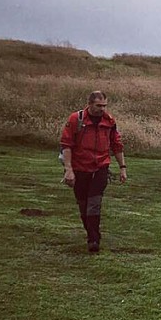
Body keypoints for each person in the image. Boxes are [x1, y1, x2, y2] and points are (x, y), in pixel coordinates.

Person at [60, 90, 127, 253]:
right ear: (90, 104)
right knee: (83, 204)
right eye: (99, 106)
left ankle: (94, 239)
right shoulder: (76, 119)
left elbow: (116, 145)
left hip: (101, 166)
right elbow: (66, 145)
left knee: (94, 203)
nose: (102, 109)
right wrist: (69, 170)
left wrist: (122, 168)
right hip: (80, 167)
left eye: (105, 106)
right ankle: (91, 233)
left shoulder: (110, 121)